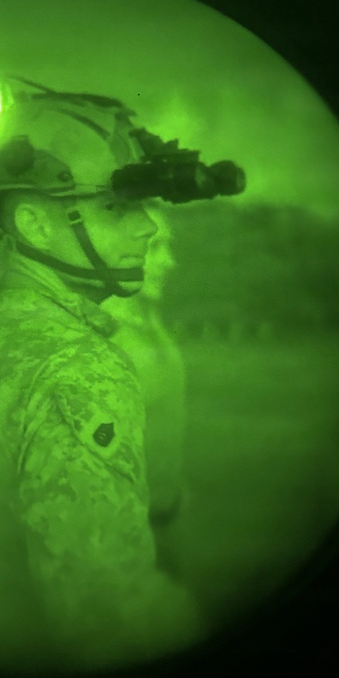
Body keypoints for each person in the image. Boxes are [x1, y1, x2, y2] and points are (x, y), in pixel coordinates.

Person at [0, 77, 243, 674]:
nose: (149, 229)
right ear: (33, 224)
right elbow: (107, 613)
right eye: (117, 207)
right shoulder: (75, 368)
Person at [102, 206, 188, 575]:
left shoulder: (150, 320)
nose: (169, 262)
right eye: (154, 249)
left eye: (167, 247)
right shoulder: (105, 342)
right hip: (123, 543)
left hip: (163, 528)